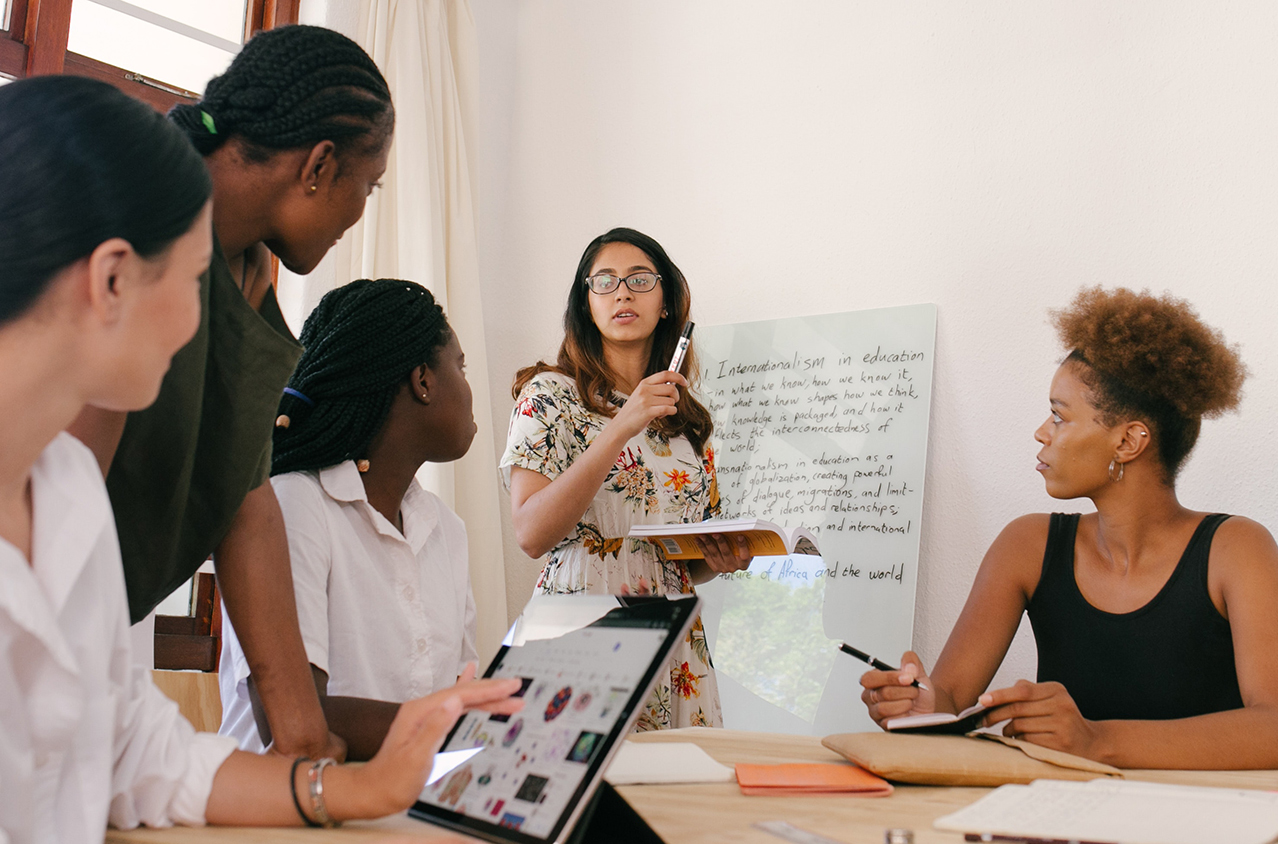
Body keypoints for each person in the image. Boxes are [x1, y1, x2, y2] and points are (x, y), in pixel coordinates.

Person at [0, 74, 520, 843]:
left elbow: (144, 754)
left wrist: (362, 784)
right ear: (112, 280)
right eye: (189, 282)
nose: (206, 324)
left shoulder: (71, 492)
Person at [67, 24, 395, 761]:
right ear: (318, 166)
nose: (359, 214)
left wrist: (305, 738)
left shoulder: (246, 273)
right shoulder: (141, 216)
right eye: (366, 187)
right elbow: (64, 493)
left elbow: (246, 504)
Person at [860, 287, 1278, 770]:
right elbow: (950, 697)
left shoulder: (1237, 550)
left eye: (1059, 415)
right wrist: (921, 705)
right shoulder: (1027, 546)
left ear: (1128, 441)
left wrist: (1095, 741)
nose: (1042, 431)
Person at [219, 279, 481, 762]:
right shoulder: (294, 505)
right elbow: (290, 720)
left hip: (399, 807)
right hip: (279, 817)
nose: (469, 388)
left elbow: (461, 692)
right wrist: (463, 723)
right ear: (423, 380)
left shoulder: (446, 528)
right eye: (460, 366)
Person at [502, 227, 752, 730]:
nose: (622, 292)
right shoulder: (549, 395)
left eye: (640, 279)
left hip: (673, 633)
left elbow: (678, 558)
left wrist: (718, 561)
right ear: (586, 304)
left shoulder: (688, 421)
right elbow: (531, 534)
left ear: (665, 303)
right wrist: (621, 425)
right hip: (583, 621)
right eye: (605, 282)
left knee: (673, 798)